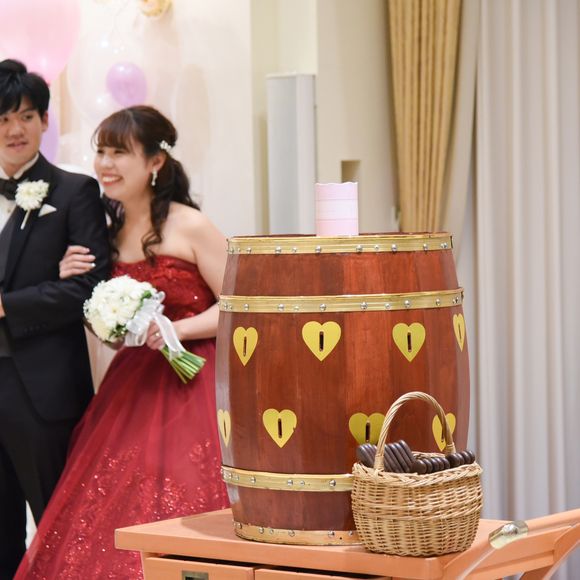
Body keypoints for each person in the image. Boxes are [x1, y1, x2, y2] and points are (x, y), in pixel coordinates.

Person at [15, 105, 229, 578]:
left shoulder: (190, 224)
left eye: (119, 153)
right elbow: (113, 338)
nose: (105, 164)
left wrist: (176, 329)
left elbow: (240, 304)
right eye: (101, 152)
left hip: (196, 377)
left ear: (155, 161)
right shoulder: (107, 235)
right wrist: (95, 307)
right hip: (134, 380)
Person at [0, 60, 110, 579]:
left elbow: (87, 289)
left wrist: (8, 304)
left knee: (59, 524)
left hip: (40, 388)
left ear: (45, 120)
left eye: (25, 116)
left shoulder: (73, 192)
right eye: (2, 119)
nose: (13, 130)